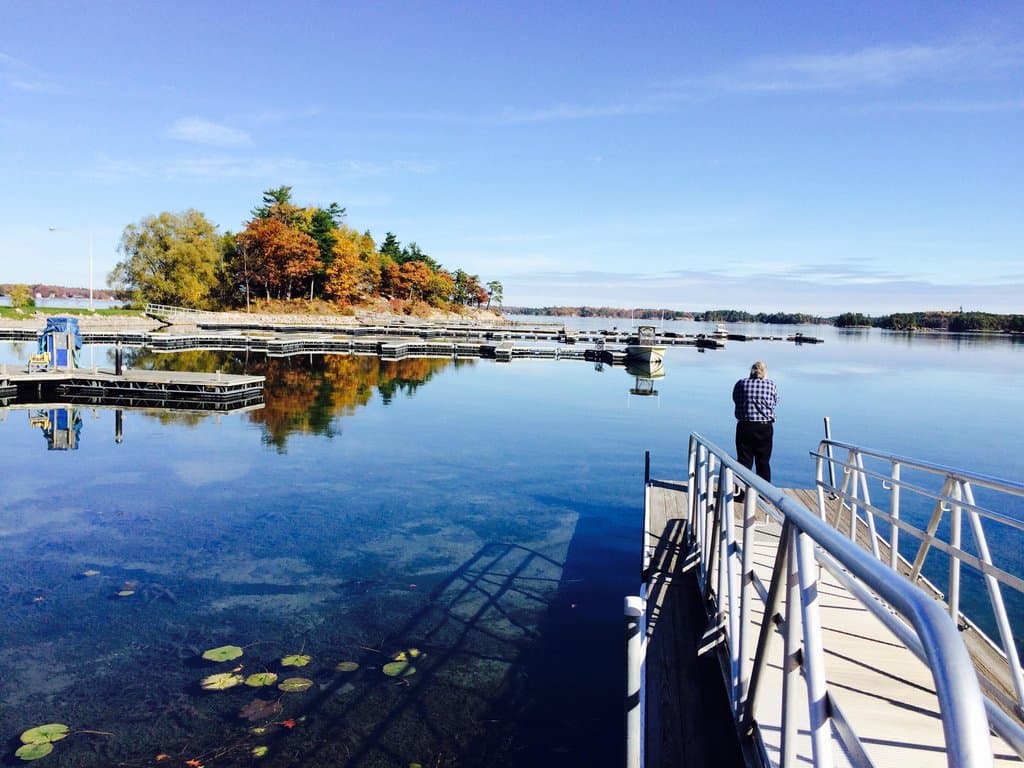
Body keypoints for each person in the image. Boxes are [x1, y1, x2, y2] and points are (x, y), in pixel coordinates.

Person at [732, 361, 778, 483]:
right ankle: (765, 495)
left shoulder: (741, 383)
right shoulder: (771, 384)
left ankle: (740, 493)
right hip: (764, 427)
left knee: (743, 461)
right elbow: (774, 402)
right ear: (765, 373)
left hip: (745, 426)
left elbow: (735, 399)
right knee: (763, 461)